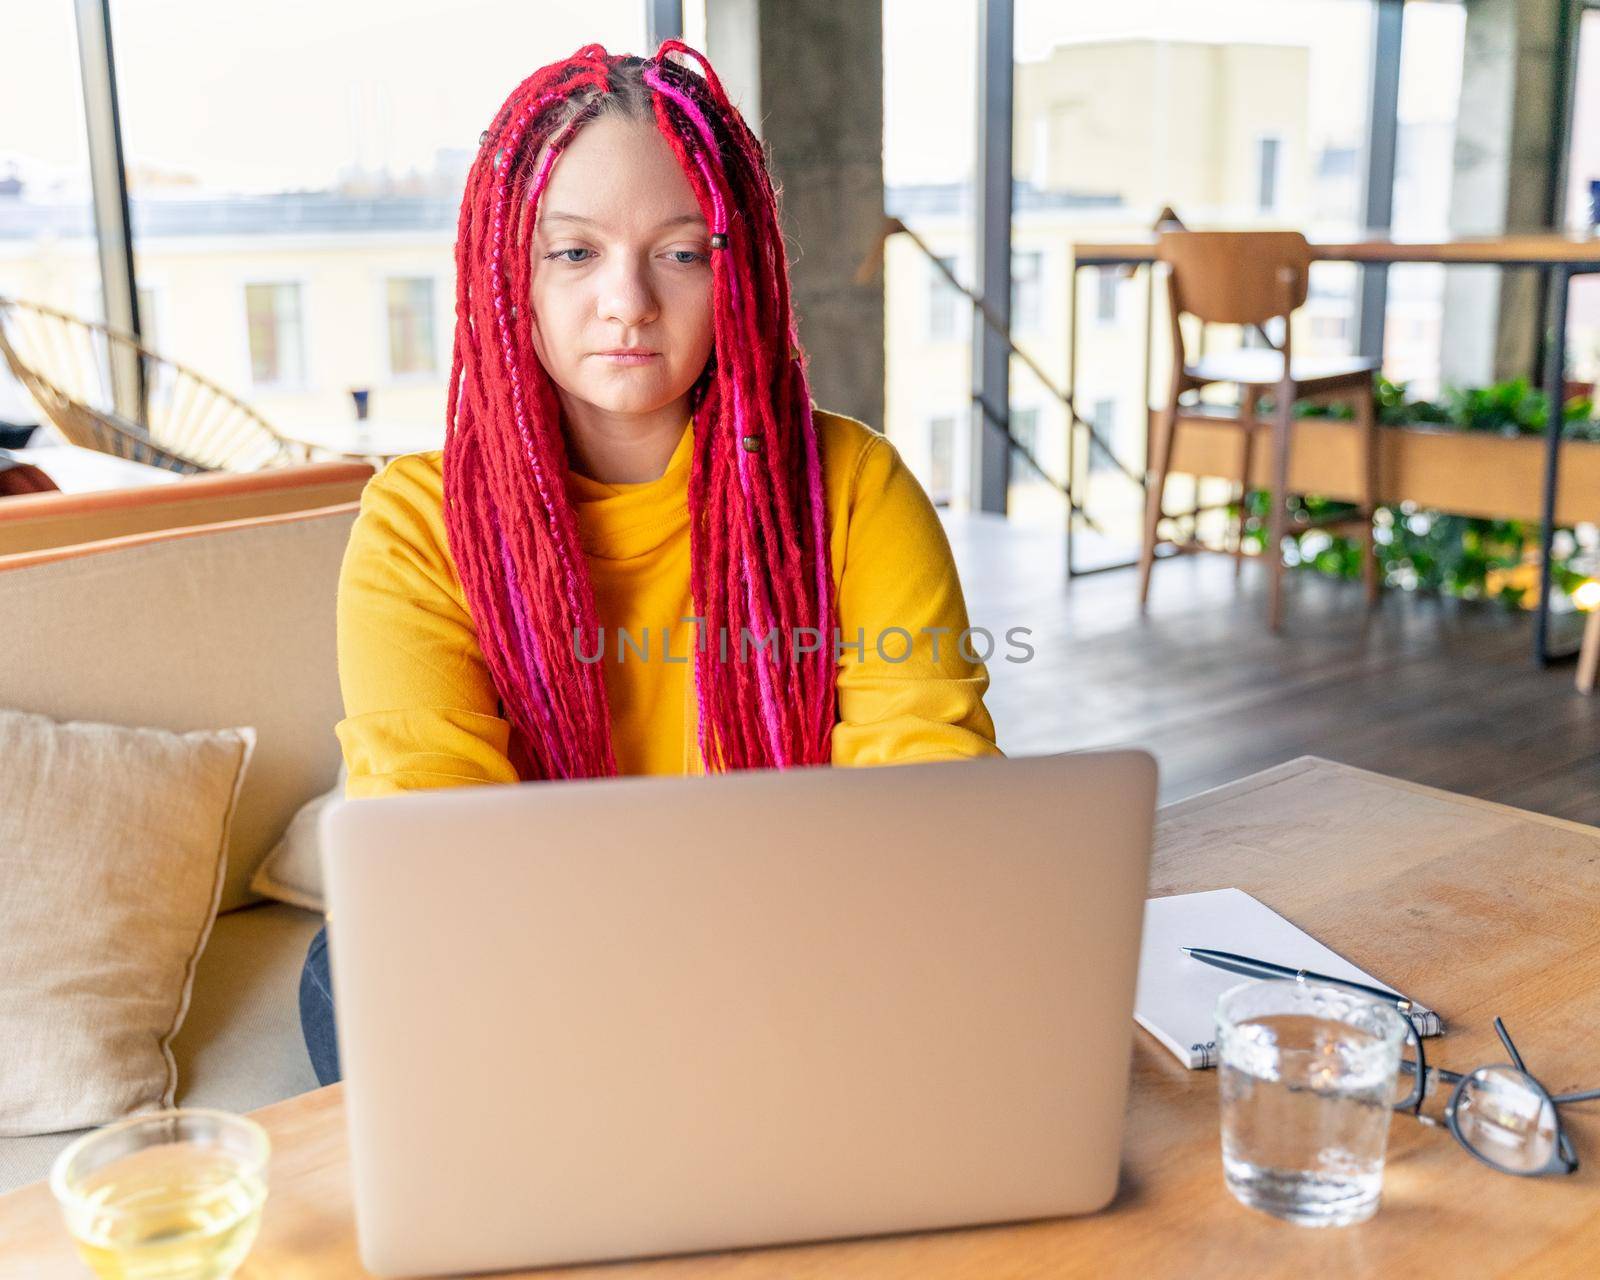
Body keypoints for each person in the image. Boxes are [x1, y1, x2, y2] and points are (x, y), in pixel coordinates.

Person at [299, 41, 1003, 1086]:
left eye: (681, 251)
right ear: (511, 272)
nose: (626, 300)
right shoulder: (418, 519)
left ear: (741, 275)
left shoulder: (853, 484)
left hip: (789, 934)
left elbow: (930, 791)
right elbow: (438, 834)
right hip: (520, 953)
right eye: (573, 253)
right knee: (356, 969)